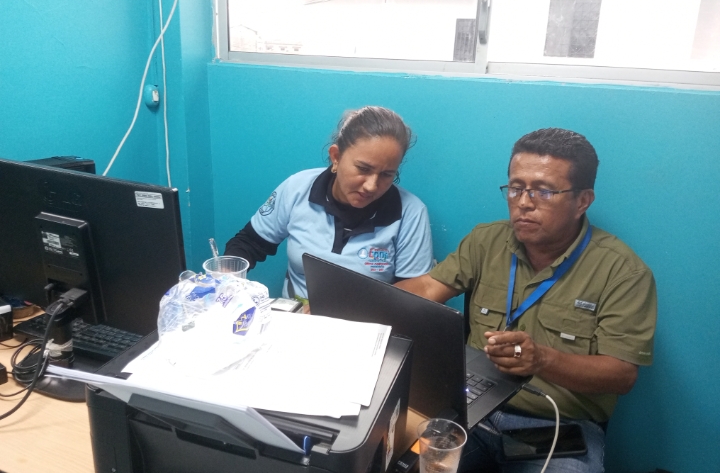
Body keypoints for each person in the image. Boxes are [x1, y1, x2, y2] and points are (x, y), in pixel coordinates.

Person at [396, 128, 657, 472]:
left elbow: (621, 375)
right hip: (472, 408)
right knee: (394, 461)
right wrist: (357, 302)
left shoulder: (622, 272)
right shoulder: (486, 241)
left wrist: (542, 360)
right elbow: (429, 288)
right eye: (516, 188)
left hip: (556, 426)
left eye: (544, 191)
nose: (523, 203)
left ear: (582, 201)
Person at [224, 106, 434, 305]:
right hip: (297, 318)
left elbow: (414, 295)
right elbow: (249, 243)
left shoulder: (411, 213)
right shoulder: (297, 188)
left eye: (387, 174)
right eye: (363, 169)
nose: (371, 186)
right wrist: (226, 275)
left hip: (369, 323)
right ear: (336, 157)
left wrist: (332, 309)